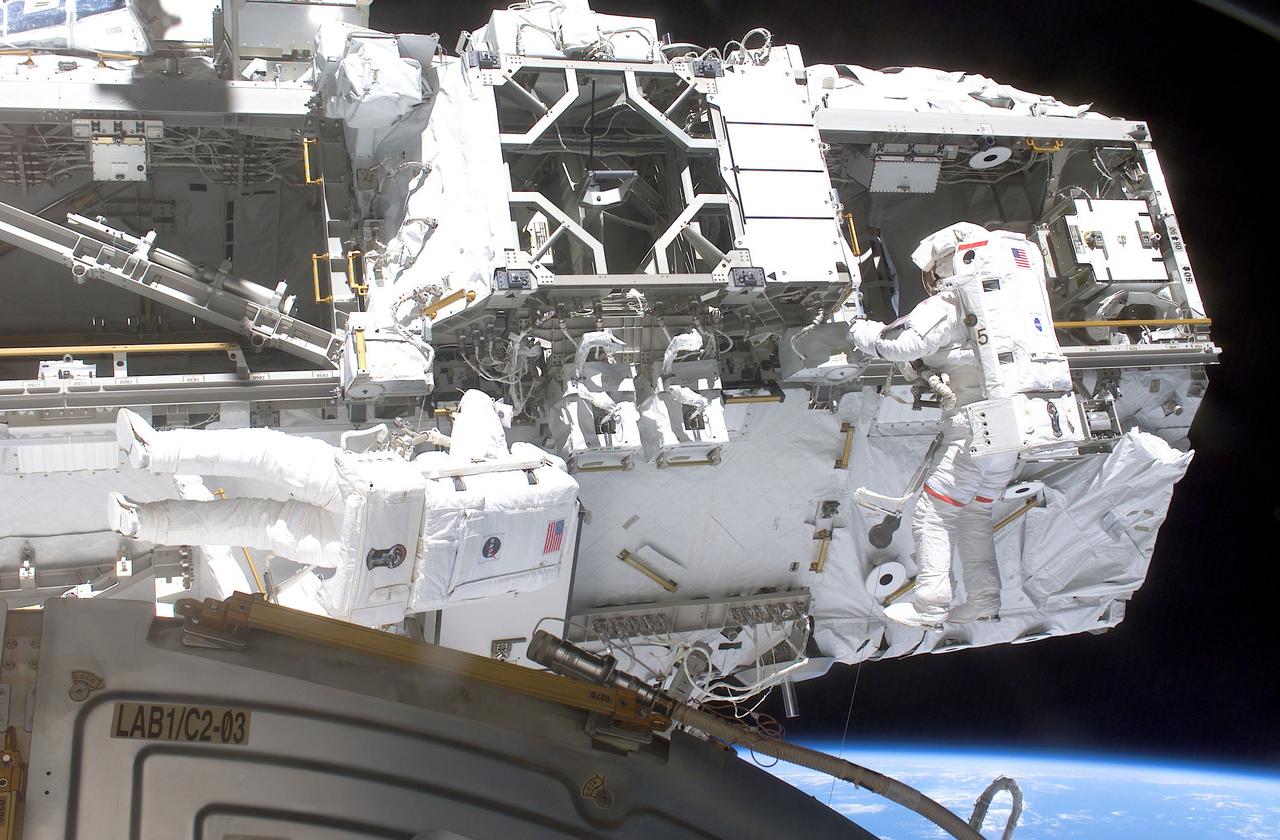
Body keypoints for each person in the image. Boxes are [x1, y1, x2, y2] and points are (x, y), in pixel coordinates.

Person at [849, 223, 1019, 628]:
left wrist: (859, 329)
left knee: (933, 516)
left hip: (975, 429)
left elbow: (902, 345)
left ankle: (930, 606)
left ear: (946, 262)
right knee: (975, 515)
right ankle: (983, 601)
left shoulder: (951, 302)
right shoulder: (1004, 301)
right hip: (1012, 429)